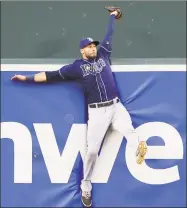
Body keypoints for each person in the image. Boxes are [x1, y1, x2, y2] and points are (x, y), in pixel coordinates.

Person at [11, 9, 147, 208]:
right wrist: (27, 78)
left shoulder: (103, 54)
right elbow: (51, 75)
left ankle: (139, 149)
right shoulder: (75, 68)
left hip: (116, 107)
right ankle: (86, 186)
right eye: (89, 46)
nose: (93, 48)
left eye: (93, 45)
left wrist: (113, 16)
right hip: (97, 112)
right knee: (91, 151)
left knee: (129, 130)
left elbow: (109, 34)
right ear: (82, 50)